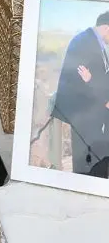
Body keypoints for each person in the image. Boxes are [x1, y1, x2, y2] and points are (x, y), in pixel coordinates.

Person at [51, 11, 109, 174]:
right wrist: (104, 101)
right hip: (83, 111)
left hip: (91, 110)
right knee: (84, 159)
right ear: (107, 28)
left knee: (93, 155)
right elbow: (82, 81)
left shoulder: (94, 42)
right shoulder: (84, 42)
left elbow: (99, 76)